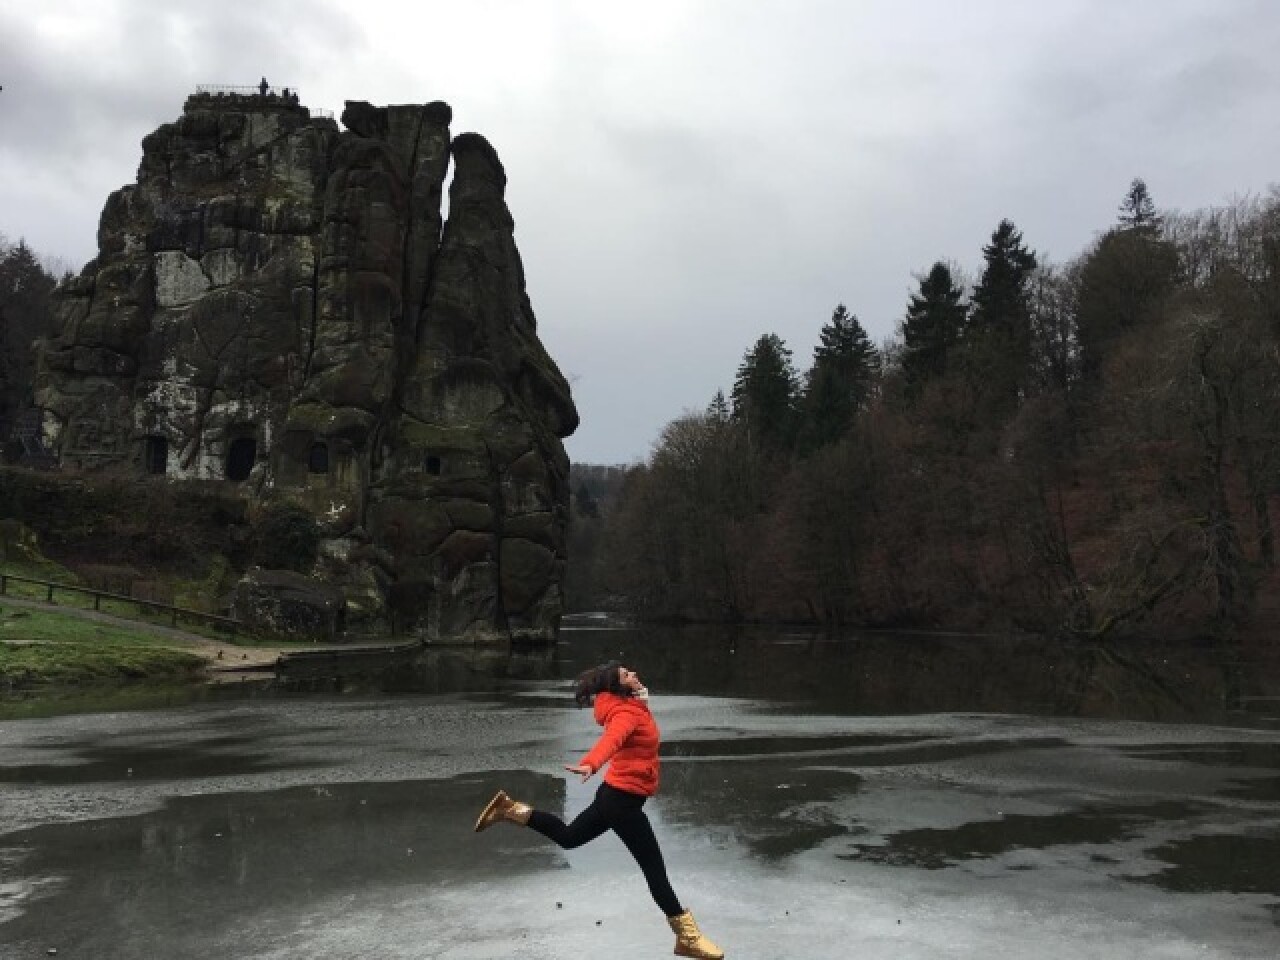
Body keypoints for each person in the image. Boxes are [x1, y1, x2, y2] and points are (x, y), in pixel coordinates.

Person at [474, 661, 725, 959]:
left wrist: (642, 699)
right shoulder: (624, 713)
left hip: (614, 796)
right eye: (626, 675)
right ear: (618, 688)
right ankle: (688, 937)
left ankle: (510, 809)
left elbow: (634, 734)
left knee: (569, 838)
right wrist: (592, 762)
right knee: (655, 873)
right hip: (622, 804)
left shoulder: (629, 706)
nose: (633, 674)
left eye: (630, 671)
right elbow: (612, 739)